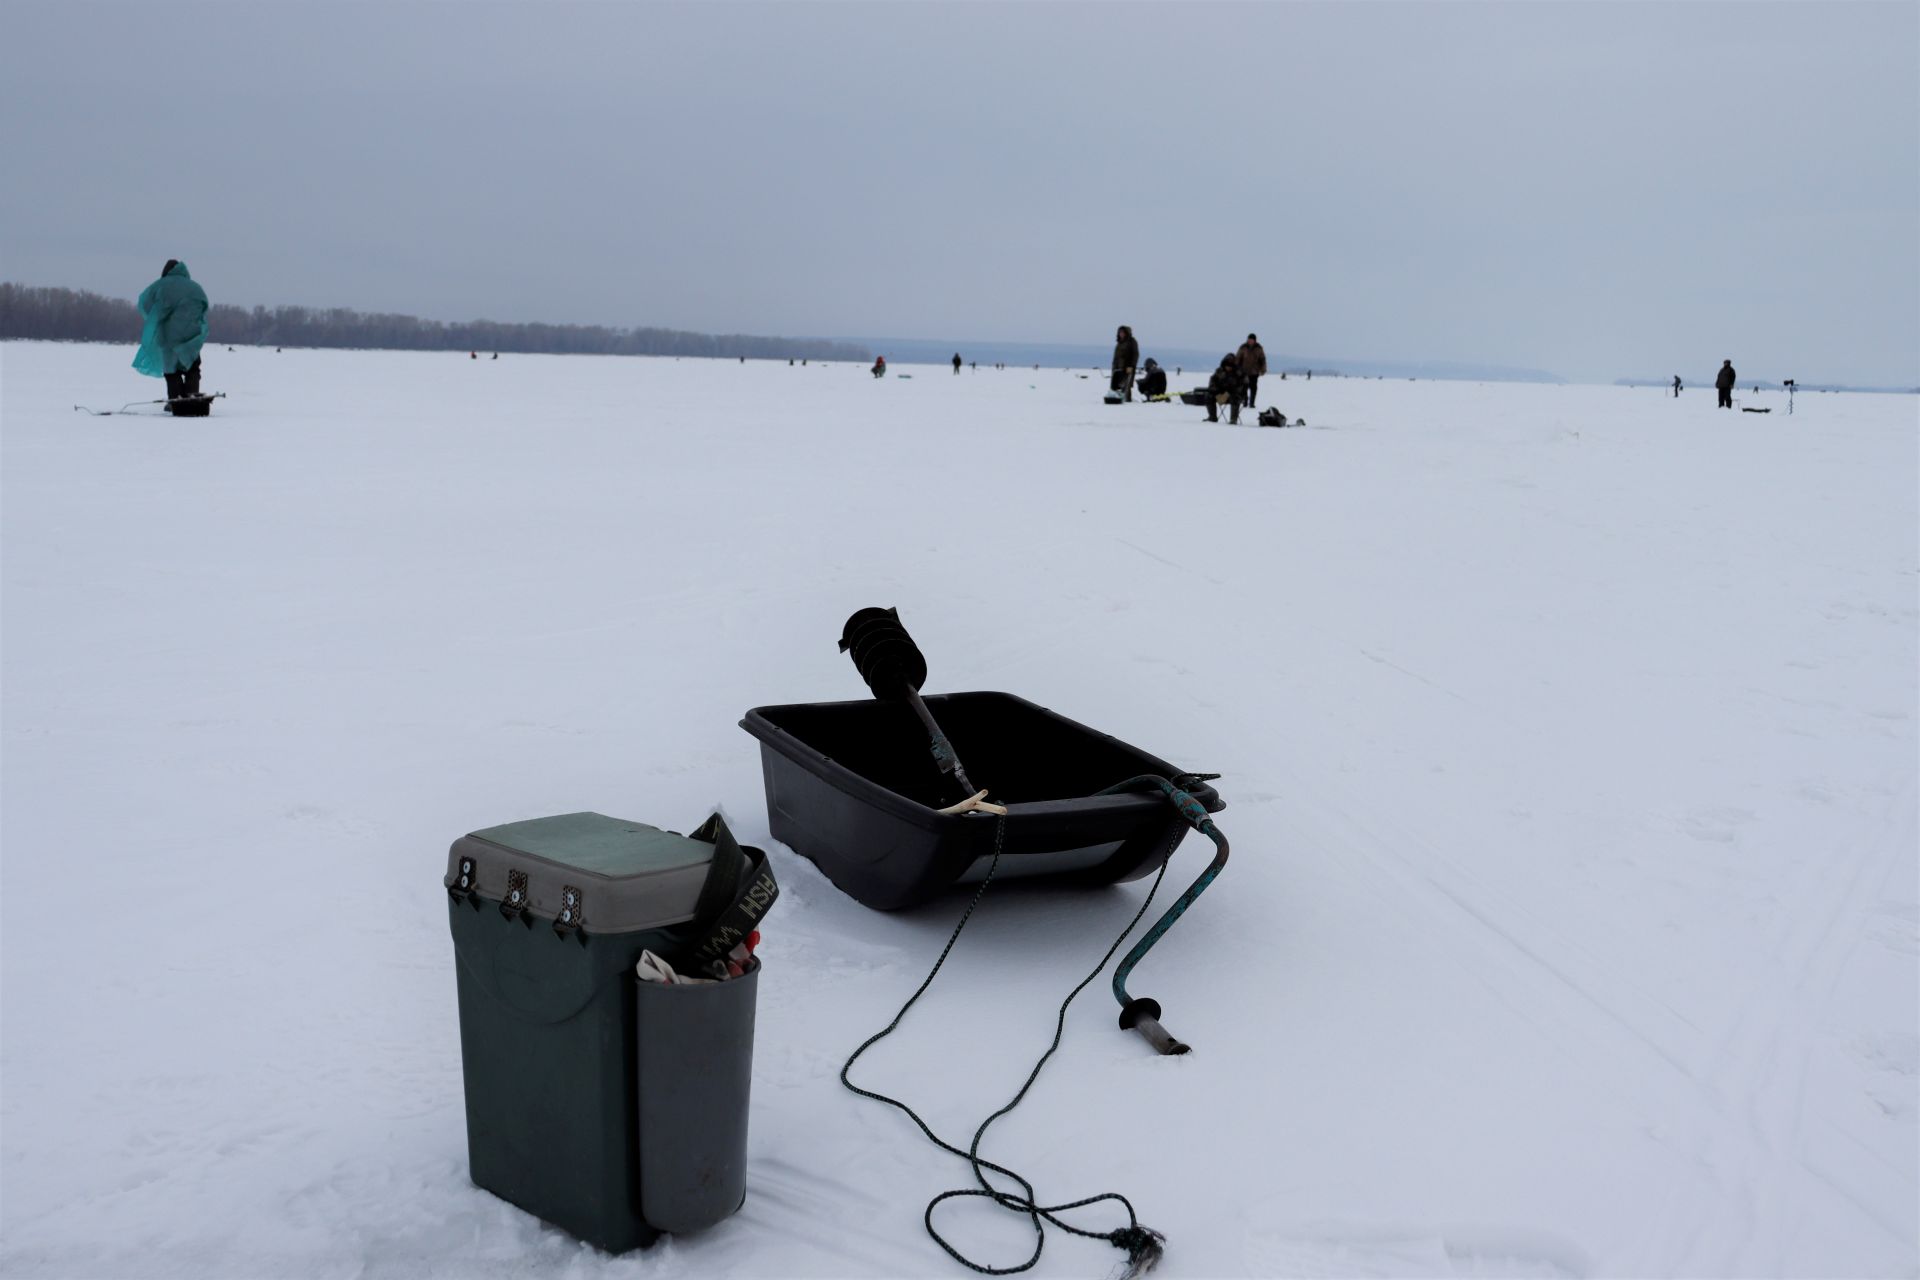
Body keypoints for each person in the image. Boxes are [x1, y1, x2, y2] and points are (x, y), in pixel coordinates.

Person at [132, 259, 209, 407]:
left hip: (170, 336)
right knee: (192, 367)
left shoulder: (162, 285)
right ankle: (192, 399)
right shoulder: (196, 287)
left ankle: (176, 401)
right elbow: (204, 307)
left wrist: (156, 317)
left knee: (171, 370)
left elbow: (144, 302)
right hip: (193, 336)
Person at [1206, 352, 1247, 424]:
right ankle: (1212, 417)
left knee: (1234, 397)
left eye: (1230, 366)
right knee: (1208, 396)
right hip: (1223, 396)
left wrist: (1235, 390)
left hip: (1236, 396)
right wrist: (1215, 389)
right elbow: (1212, 382)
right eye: (1227, 366)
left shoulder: (1240, 372)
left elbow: (1244, 384)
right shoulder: (1219, 371)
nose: (1228, 367)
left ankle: (1233, 420)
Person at [1237, 334, 1268, 407]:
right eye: (1249, 339)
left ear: (1254, 340)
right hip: (1244, 371)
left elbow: (1262, 360)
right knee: (1244, 388)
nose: (1250, 341)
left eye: (1252, 340)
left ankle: (1252, 403)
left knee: (1253, 388)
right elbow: (1238, 358)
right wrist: (1237, 369)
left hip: (1254, 372)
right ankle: (1245, 401)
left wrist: (1263, 369)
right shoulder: (1243, 347)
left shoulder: (1259, 348)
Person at [1110, 325, 1139, 401]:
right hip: (1118, 367)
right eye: (1120, 332)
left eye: (1123, 332)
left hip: (1128, 366)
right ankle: (1116, 398)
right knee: (1116, 384)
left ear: (1126, 333)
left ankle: (1127, 399)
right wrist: (1114, 366)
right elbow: (1116, 356)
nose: (1121, 334)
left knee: (1127, 383)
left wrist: (1132, 365)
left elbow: (1135, 354)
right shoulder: (1119, 343)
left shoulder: (1132, 342)